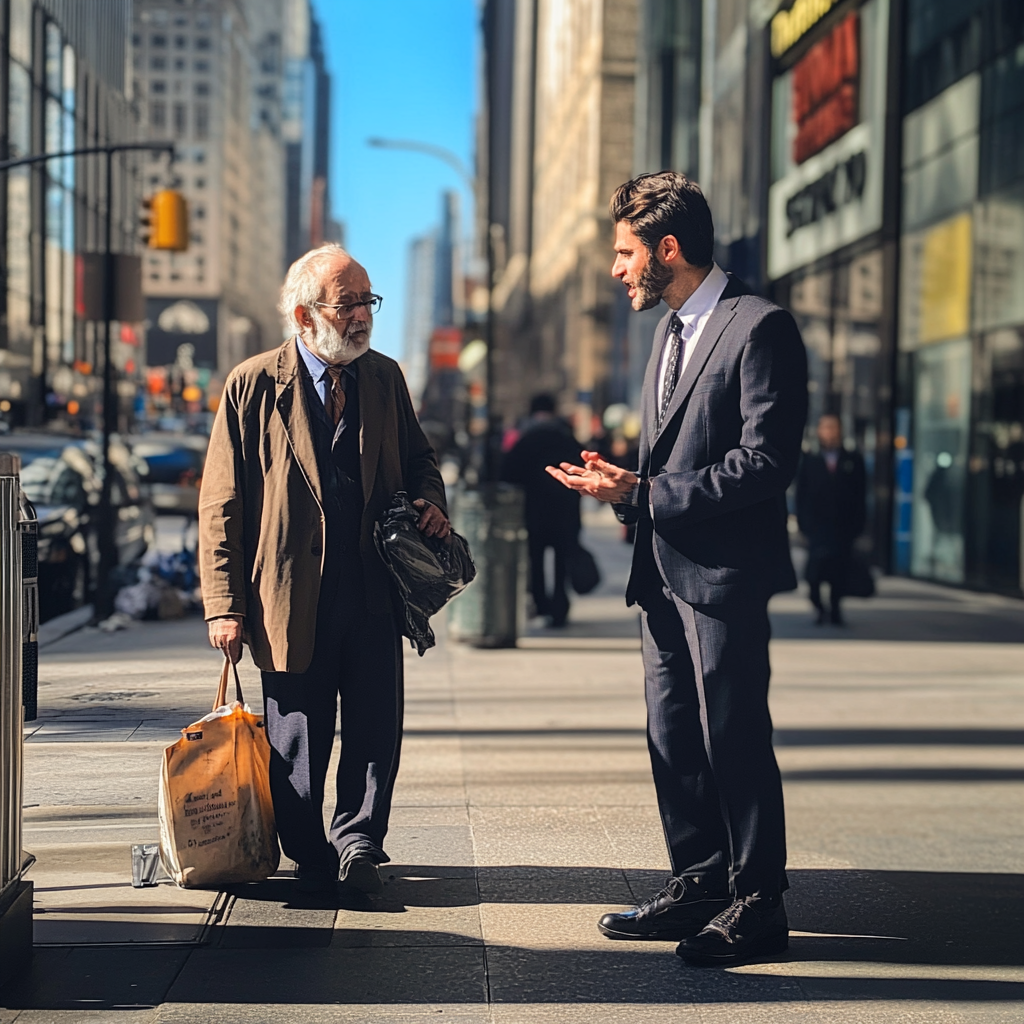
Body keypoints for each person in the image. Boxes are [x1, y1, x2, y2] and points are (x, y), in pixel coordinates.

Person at [547, 171, 807, 966]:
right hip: (660, 574)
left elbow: (767, 462)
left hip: (725, 577)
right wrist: (625, 492)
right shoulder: (670, 333)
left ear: (669, 248)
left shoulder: (759, 327)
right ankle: (698, 882)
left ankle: (758, 904)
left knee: (733, 734)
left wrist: (648, 489)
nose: (618, 269)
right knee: (673, 735)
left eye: (626, 253)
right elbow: (677, 458)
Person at [199, 244, 449, 895]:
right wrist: (224, 605)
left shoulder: (385, 378)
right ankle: (308, 847)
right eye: (351, 304)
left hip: (372, 584)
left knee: (373, 724)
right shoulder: (252, 384)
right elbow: (221, 504)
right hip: (289, 593)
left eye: (369, 301)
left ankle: (359, 840)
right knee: (297, 733)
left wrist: (430, 502)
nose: (364, 315)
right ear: (306, 315)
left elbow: (421, 462)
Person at [501, 394, 582, 626]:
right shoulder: (566, 435)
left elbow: (508, 473)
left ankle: (540, 603)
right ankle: (560, 607)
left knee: (534, 561)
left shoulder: (526, 437)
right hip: (565, 511)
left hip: (534, 511)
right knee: (561, 561)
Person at [795, 414, 866, 625]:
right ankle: (818, 606)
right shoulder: (810, 459)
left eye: (833, 427)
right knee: (815, 572)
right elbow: (801, 495)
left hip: (843, 526)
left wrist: (858, 525)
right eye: (825, 427)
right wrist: (803, 525)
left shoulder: (853, 459)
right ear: (819, 431)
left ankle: (835, 609)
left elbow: (861, 495)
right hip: (816, 526)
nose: (829, 432)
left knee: (839, 571)